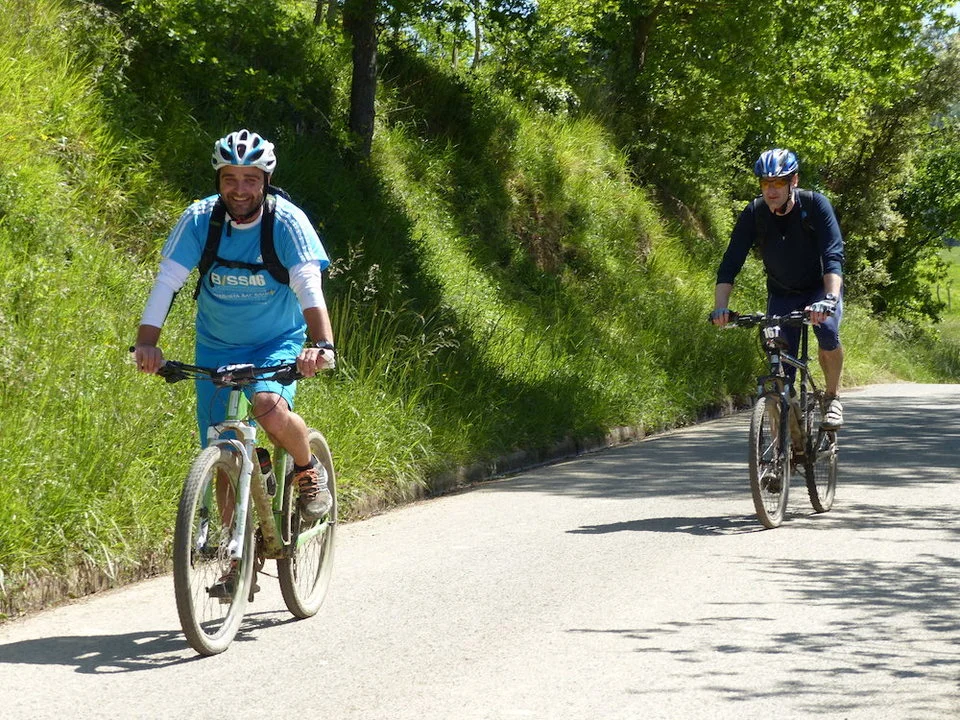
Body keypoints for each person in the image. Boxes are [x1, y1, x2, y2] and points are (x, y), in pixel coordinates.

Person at [132, 128, 336, 523]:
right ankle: (231, 551)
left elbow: (308, 286)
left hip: (275, 341)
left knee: (268, 409)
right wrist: (146, 343)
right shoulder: (199, 219)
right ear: (218, 179)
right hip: (217, 345)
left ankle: (307, 467)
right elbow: (167, 282)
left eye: (250, 179)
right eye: (230, 178)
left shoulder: (287, 223)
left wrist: (322, 344)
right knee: (224, 449)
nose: (239, 189)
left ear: (266, 181)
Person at [710, 148, 845, 429]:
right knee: (778, 365)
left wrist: (830, 298)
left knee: (827, 330)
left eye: (779, 182)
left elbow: (833, 256)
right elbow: (730, 263)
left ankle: (832, 398)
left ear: (793, 181)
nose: (771, 190)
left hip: (818, 291)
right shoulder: (755, 213)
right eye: (765, 183)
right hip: (782, 293)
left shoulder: (815, 205)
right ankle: (780, 442)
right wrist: (720, 307)